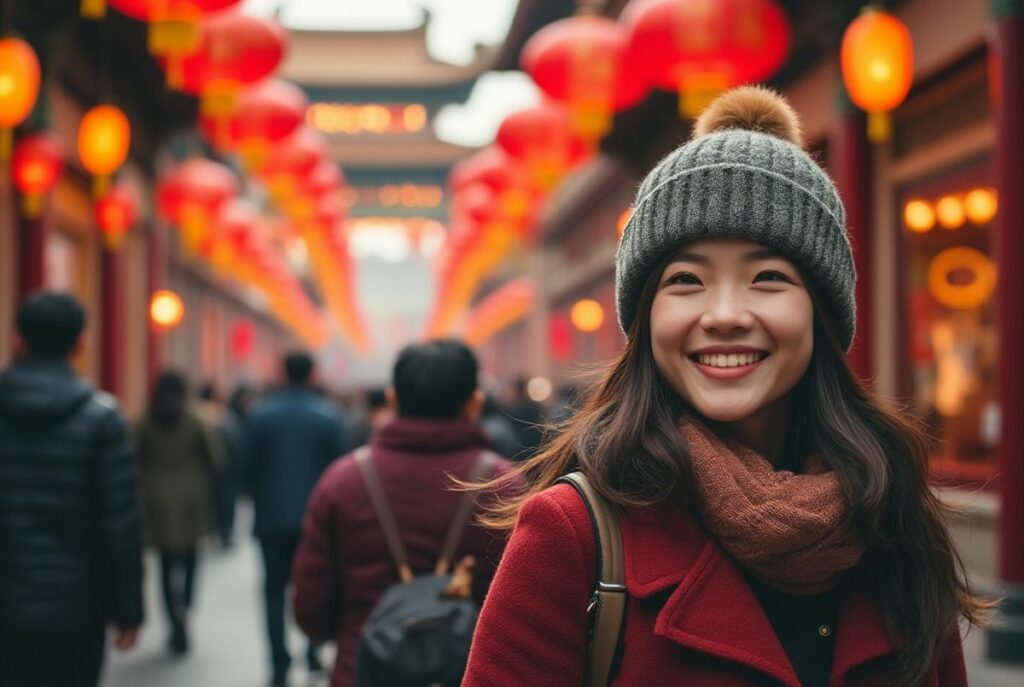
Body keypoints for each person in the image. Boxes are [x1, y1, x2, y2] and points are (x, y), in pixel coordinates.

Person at [463, 87, 986, 686]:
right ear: (645, 319)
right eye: (687, 279)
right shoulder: (573, 538)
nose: (726, 314)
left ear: (821, 311)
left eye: (768, 276)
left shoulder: (893, 516)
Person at [291, 339, 522, 687]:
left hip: (364, 670)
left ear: (393, 399)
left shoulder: (343, 481)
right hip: (472, 674)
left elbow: (311, 610)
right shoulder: (504, 486)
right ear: (474, 403)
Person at [0, 292, 143, 686]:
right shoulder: (103, 420)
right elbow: (121, 523)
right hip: (77, 607)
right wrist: (128, 609)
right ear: (81, 343)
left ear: (17, 340)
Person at [244, 351, 346, 687]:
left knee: (273, 591)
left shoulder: (261, 415)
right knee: (315, 585)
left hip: (272, 517)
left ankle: (278, 663)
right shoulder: (327, 417)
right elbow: (340, 473)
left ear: (282, 372)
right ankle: (313, 650)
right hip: (315, 520)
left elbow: (246, 467)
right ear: (313, 374)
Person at [136, 370, 219, 655]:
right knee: (191, 559)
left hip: (156, 499)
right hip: (191, 501)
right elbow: (214, 459)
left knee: (166, 564)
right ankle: (186, 606)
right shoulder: (196, 421)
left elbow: (135, 460)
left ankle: (173, 618)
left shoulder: (146, 421)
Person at [197, 381, 243, 548]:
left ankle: (213, 531)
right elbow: (235, 441)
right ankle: (225, 532)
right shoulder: (224, 416)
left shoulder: (196, 414)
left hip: (203, 469)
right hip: (224, 466)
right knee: (225, 503)